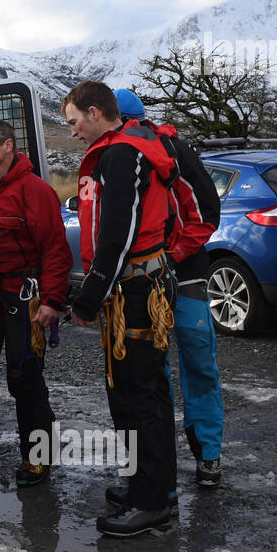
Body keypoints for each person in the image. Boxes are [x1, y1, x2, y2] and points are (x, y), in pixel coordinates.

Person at [62, 81, 178, 538]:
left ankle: (151, 503)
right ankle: (146, 485)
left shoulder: (120, 155)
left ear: (94, 112)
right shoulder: (130, 148)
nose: (71, 133)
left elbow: (118, 235)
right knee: (140, 392)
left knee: (137, 396)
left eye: (73, 122)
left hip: (135, 292)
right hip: (139, 286)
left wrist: (88, 298)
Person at [114, 89, 224, 490]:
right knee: (150, 374)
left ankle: (208, 453)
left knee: (198, 365)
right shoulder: (118, 156)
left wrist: (172, 256)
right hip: (140, 282)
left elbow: (206, 214)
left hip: (186, 275)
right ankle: (158, 468)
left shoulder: (174, 151)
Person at [0, 120, 71, 485]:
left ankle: (37, 457)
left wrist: (52, 300)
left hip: (23, 295)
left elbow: (55, 248)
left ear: (8, 146)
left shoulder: (35, 191)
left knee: (25, 377)